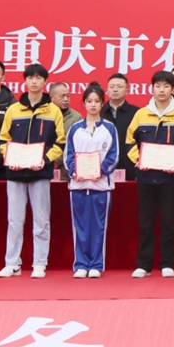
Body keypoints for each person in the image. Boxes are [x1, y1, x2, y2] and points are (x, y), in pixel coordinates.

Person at [0, 63, 66, 278]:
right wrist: (9, 157)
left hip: (40, 172)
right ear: (25, 81)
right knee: (14, 220)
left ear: (45, 82)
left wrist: (45, 160)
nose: (34, 81)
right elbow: (3, 139)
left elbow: (60, 142)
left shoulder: (53, 111)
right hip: (15, 172)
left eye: (38, 78)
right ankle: (12, 262)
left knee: (41, 220)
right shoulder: (13, 109)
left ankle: (39, 262)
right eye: (30, 78)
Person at [128, 70, 174, 277]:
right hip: (145, 176)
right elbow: (129, 141)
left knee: (168, 221)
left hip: (169, 176)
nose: (162, 90)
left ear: (172, 89)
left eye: (166, 86)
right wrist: (138, 160)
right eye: (158, 86)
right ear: (152, 88)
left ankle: (167, 263)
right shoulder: (141, 114)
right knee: (145, 222)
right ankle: (143, 265)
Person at [66, 84, 119, 278]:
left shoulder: (109, 128)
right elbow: (68, 155)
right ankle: (81, 264)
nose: (93, 105)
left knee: (98, 227)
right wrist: (74, 172)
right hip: (78, 185)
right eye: (89, 101)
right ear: (84, 103)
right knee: (80, 227)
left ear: (102, 103)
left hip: (101, 186)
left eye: (97, 101)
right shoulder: (75, 129)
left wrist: (101, 171)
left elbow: (113, 156)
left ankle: (96, 264)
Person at [103, 73, 135, 183]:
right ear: (107, 90)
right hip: (103, 168)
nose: (115, 89)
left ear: (127, 91)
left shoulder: (137, 113)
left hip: (130, 169)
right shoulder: (99, 113)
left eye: (119, 86)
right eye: (112, 87)